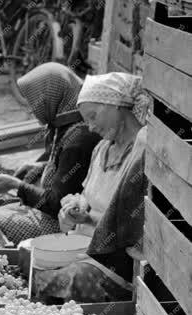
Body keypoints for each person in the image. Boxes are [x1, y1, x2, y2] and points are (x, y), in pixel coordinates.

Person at [31, 72, 149, 302]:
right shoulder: (101, 150)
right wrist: (74, 206)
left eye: (93, 116)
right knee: (29, 261)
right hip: (83, 248)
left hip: (114, 264)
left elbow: (130, 224)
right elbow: (86, 199)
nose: (91, 128)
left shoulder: (142, 153)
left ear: (117, 105)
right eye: (87, 120)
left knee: (49, 282)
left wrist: (87, 219)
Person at [0, 63, 101, 243]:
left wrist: (16, 185)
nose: (30, 110)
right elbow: (69, 172)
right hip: (48, 215)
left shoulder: (78, 140)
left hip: (60, 226)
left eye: (34, 102)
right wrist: (40, 167)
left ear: (51, 98)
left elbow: (56, 205)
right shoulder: (68, 126)